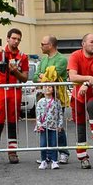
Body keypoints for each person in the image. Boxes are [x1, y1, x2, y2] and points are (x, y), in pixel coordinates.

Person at [0, 28, 28, 165]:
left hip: (15, 91)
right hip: (0, 90)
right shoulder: (0, 52)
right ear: (7, 38)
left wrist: (16, 73)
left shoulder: (23, 56)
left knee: (13, 122)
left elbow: (25, 78)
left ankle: (12, 153)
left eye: (18, 39)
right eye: (14, 38)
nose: (16, 41)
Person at [67, 33, 93, 169]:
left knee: (92, 105)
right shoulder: (75, 56)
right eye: (91, 42)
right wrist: (88, 79)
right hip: (78, 96)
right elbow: (72, 76)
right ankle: (83, 157)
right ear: (83, 44)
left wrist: (87, 83)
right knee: (80, 127)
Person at [33, 35, 71, 164]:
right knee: (44, 125)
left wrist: (43, 76)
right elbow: (35, 76)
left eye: (43, 44)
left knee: (57, 126)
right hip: (44, 98)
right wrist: (45, 76)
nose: (41, 46)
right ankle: (48, 154)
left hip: (57, 98)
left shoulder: (61, 59)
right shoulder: (43, 60)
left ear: (50, 45)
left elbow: (53, 77)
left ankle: (63, 152)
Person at [34, 84, 65, 169]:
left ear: (53, 89)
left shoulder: (56, 101)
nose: (47, 88)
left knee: (54, 143)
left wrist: (60, 125)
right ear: (42, 90)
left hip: (54, 126)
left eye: (50, 86)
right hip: (43, 126)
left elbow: (60, 114)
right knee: (43, 144)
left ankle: (54, 161)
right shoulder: (40, 102)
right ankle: (43, 160)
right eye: (45, 86)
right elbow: (38, 114)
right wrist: (39, 124)